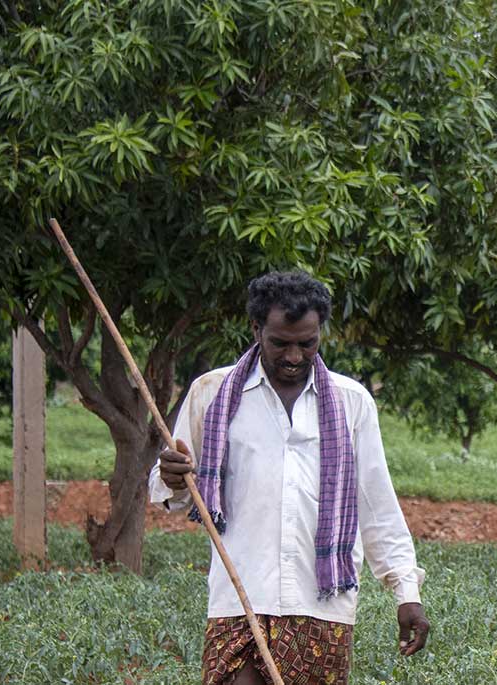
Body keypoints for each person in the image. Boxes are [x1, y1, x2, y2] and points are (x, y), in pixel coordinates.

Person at [150, 271, 429, 685]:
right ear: (256, 329)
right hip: (238, 598)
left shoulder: (353, 403)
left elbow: (375, 503)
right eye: (280, 342)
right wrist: (173, 476)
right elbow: (171, 489)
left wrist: (406, 593)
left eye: (307, 343)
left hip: (321, 606)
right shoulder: (212, 393)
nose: (295, 356)